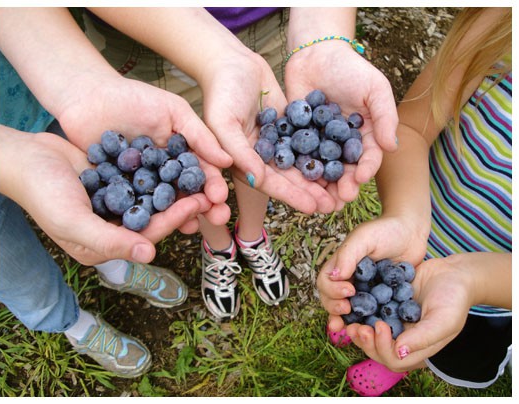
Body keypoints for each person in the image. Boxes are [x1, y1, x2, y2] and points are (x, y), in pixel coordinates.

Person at [79, 6, 399, 320]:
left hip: (269, 22)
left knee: (253, 152)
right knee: (193, 158)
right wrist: (217, 57)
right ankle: (218, 246)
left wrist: (325, 39)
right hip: (146, 33)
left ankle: (251, 236)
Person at [0, 7, 233, 377]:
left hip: (32, 91)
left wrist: (81, 85)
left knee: (86, 200)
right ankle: (71, 324)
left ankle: (116, 268)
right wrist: (8, 159)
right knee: (11, 268)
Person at [316, 7, 511, 396]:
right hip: (422, 233)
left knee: (449, 342)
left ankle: (414, 357)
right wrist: (405, 218)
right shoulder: (504, 25)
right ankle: (387, 336)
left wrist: (470, 280)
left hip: (497, 302)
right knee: (391, 313)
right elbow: (411, 128)